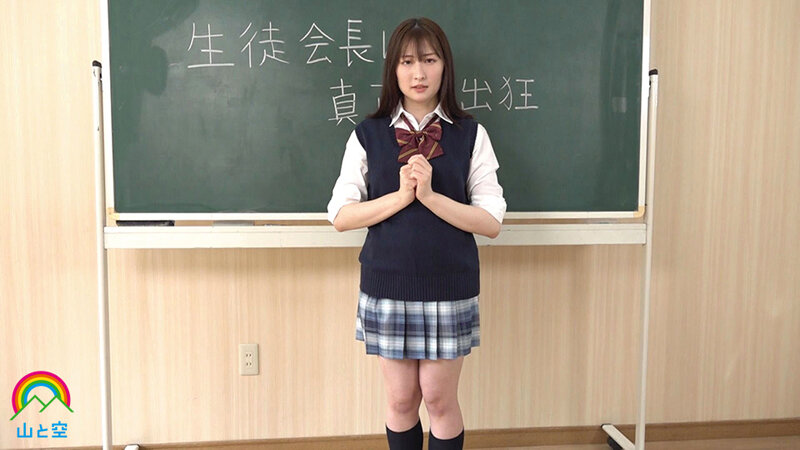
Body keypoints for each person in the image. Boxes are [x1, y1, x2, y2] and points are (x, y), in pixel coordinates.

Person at [327, 17, 506, 450]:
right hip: (388, 283)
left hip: (449, 283)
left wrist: (429, 196)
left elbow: (491, 222)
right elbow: (341, 215)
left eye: (429, 60)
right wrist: (401, 197)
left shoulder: (471, 134)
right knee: (401, 399)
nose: (419, 73)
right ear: (393, 69)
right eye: (407, 62)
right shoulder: (368, 134)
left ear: (445, 66)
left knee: (439, 399)